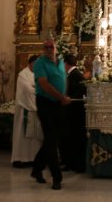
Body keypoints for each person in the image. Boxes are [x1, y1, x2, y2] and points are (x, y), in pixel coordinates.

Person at [31, 39, 71, 190]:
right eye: (46, 47)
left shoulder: (60, 63)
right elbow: (43, 84)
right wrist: (61, 97)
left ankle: (36, 169)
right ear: (43, 49)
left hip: (58, 104)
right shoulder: (40, 63)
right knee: (51, 139)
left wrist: (63, 97)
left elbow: (62, 80)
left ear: (55, 48)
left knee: (53, 138)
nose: (49, 49)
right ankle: (56, 177)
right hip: (45, 103)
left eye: (51, 47)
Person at [12, 55, 41, 168]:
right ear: (31, 63)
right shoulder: (23, 75)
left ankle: (32, 158)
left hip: (35, 110)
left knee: (34, 137)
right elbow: (28, 90)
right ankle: (20, 158)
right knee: (23, 136)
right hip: (25, 110)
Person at [62, 54, 87, 173]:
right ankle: (71, 163)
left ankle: (75, 164)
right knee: (71, 138)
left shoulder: (75, 75)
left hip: (74, 112)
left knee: (74, 138)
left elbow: (81, 91)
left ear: (66, 64)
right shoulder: (74, 74)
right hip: (74, 111)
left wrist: (68, 98)